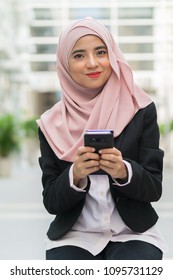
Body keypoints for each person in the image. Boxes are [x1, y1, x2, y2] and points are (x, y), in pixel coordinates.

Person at [37, 17, 167, 260]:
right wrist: (75, 175)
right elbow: (52, 202)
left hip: (133, 233)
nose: (92, 63)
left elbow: (153, 188)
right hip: (75, 236)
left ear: (113, 56)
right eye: (78, 56)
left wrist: (123, 171)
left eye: (101, 52)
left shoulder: (141, 109)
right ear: (65, 63)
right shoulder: (50, 123)